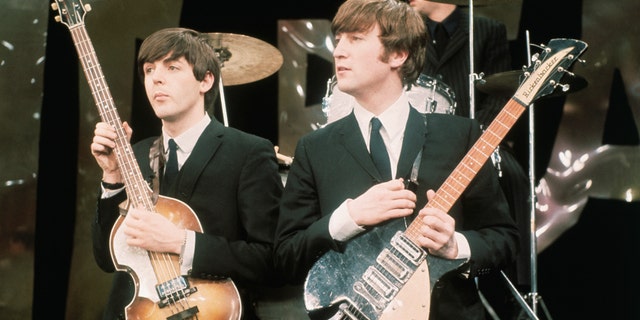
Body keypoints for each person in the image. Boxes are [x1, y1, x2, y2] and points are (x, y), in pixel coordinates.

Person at [274, 0, 520, 319]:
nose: (338, 51)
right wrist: (348, 217)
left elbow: (504, 241)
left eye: (356, 39)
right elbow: (284, 259)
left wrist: (456, 247)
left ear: (398, 54)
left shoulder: (460, 136)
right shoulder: (314, 148)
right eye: (339, 39)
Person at [90, 27, 283, 320]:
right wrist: (112, 178)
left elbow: (270, 259)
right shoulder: (134, 155)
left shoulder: (249, 152)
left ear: (206, 80)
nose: (156, 78)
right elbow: (106, 259)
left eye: (173, 67)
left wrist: (181, 243)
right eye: (149, 69)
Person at [408, 1, 533, 317]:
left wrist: (479, 139)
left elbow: (499, 94)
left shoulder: (487, 28)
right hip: (424, 143)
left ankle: (512, 285)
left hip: (476, 139)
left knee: (512, 175)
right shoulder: (406, 28)